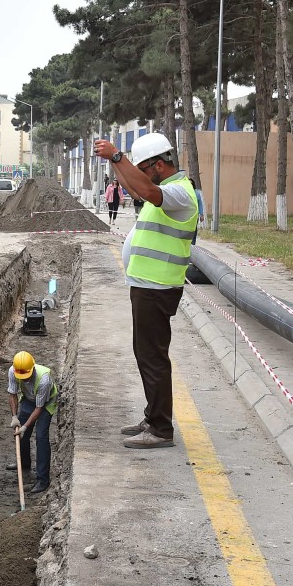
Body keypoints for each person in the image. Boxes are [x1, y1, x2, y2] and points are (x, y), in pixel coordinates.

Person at [93, 132, 198, 450]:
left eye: (142, 167)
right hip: (147, 285)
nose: (139, 173)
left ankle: (161, 427)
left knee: (152, 357)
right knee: (146, 353)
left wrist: (116, 157)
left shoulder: (178, 192)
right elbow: (136, 186)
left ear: (160, 164)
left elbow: (146, 190)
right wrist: (116, 165)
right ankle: (153, 417)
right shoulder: (161, 188)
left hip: (157, 287)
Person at [7, 350, 58, 494]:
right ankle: (23, 463)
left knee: (41, 437)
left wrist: (25, 426)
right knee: (21, 434)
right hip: (29, 399)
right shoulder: (13, 371)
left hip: (45, 404)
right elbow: (13, 394)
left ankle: (43, 480)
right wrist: (14, 417)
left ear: (33, 369)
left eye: (26, 377)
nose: (24, 379)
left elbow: (39, 408)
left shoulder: (44, 380)